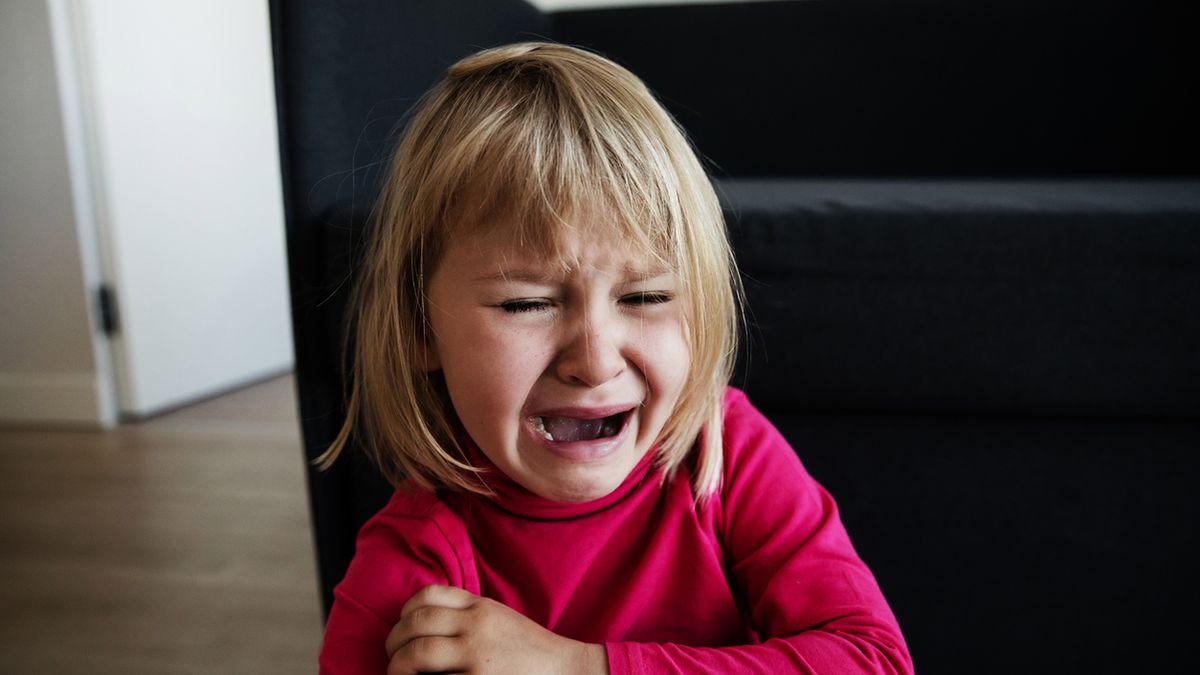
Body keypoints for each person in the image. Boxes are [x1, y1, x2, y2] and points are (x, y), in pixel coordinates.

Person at [317, 42, 912, 674]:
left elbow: (873, 660)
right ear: (419, 329)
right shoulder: (418, 557)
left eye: (647, 296)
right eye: (525, 304)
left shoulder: (723, 449)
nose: (595, 362)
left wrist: (580, 667)